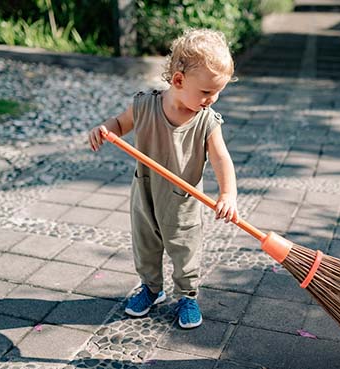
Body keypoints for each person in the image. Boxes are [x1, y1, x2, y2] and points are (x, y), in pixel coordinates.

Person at [88, 29, 238, 329]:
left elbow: (221, 158)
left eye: (217, 92)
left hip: (182, 201)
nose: (212, 99)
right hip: (145, 193)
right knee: (145, 245)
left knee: (184, 249)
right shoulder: (145, 106)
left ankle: (187, 295)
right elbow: (119, 123)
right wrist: (105, 130)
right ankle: (151, 288)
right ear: (179, 81)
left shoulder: (206, 121)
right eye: (206, 92)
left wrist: (228, 195)